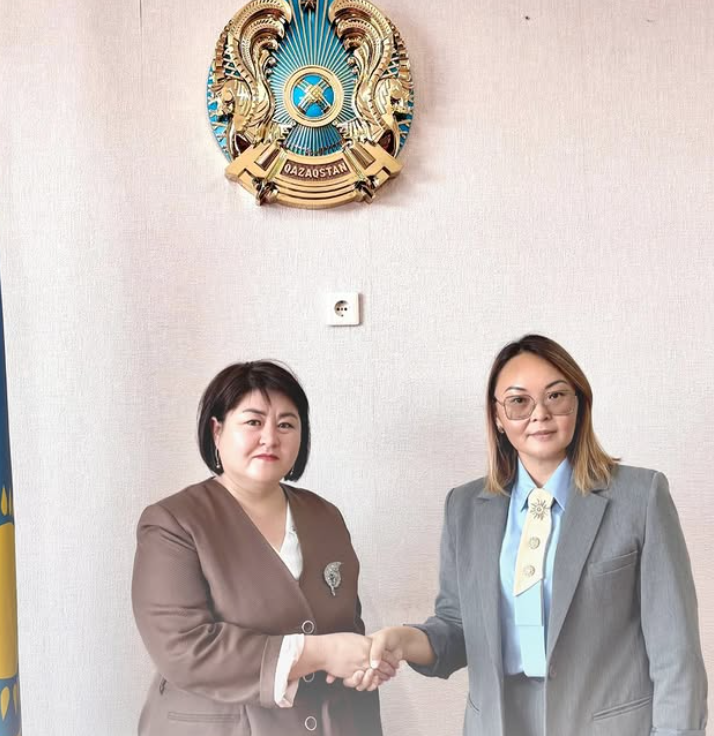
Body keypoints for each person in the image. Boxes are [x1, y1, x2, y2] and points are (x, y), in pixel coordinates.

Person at [362, 335, 708, 736]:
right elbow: (458, 627)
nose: (539, 414)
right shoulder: (465, 507)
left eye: (555, 396)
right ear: (497, 416)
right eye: (519, 401)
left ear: (579, 404)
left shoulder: (640, 497)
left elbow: (675, 652)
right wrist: (403, 640)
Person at [132, 360, 391, 736]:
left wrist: (362, 664)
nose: (270, 438)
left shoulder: (325, 516)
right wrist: (322, 653)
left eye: (286, 424)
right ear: (217, 431)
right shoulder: (172, 523)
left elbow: (347, 627)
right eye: (253, 422)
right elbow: (183, 647)